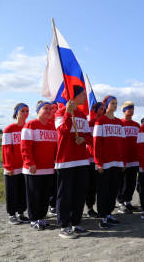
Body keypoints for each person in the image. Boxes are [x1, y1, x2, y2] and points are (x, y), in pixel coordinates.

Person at [54, 86, 92, 238]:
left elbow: (89, 136)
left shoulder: (83, 115)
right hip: (66, 161)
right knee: (65, 194)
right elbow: (62, 131)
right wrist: (68, 113)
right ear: (75, 96)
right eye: (83, 94)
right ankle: (64, 226)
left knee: (79, 194)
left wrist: (84, 139)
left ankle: (76, 224)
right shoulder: (59, 113)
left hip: (82, 161)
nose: (85, 97)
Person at [21, 101, 57, 231]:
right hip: (33, 169)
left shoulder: (52, 127)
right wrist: (30, 163)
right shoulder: (30, 125)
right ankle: (34, 220)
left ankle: (41, 218)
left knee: (45, 195)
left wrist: (56, 162)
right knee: (33, 195)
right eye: (45, 108)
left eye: (50, 109)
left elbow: (55, 149)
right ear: (38, 110)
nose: (48, 110)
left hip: (48, 168)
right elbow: (25, 147)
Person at [93, 96, 125, 228]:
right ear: (106, 104)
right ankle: (102, 217)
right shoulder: (100, 121)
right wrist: (98, 162)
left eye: (116, 103)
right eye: (112, 103)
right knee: (103, 190)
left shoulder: (119, 122)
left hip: (117, 162)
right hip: (104, 163)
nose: (115, 105)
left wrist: (123, 160)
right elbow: (96, 143)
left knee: (113, 189)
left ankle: (109, 214)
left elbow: (123, 143)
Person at [2, 103, 30, 225]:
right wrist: (8, 166)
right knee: (12, 191)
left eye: (27, 111)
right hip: (12, 167)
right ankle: (12, 214)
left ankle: (21, 213)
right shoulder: (9, 129)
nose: (25, 113)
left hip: (24, 167)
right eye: (23, 111)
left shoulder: (28, 128)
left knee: (23, 191)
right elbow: (6, 149)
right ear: (16, 112)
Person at [117, 101, 141, 213]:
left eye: (133, 108)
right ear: (123, 110)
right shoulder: (119, 123)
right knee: (122, 181)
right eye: (129, 108)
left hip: (134, 157)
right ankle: (120, 202)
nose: (131, 110)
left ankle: (128, 201)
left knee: (131, 181)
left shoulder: (136, 125)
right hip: (124, 158)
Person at [85, 102, 104, 218]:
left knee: (101, 185)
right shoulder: (90, 124)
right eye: (101, 109)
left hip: (103, 160)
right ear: (96, 110)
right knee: (91, 185)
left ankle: (102, 208)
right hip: (91, 160)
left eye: (104, 109)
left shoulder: (105, 123)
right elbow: (89, 141)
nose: (103, 111)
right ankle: (89, 208)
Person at [48, 101, 59, 216]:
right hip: (47, 160)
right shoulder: (46, 123)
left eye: (56, 108)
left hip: (58, 159)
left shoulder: (58, 122)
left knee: (56, 183)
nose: (55, 110)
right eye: (52, 108)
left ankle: (54, 205)